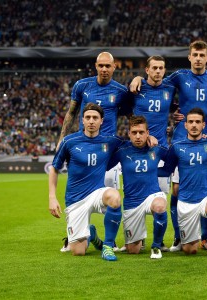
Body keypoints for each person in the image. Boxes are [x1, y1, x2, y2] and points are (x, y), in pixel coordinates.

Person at [130, 41, 207, 252]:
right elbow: (156, 82)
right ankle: (179, 236)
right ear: (189, 57)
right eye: (194, 55)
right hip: (181, 138)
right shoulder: (179, 76)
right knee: (177, 189)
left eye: (202, 55)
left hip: (206, 139)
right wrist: (137, 77)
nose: (198, 58)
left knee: (203, 187)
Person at [49, 103, 123, 261]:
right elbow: (54, 168)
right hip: (76, 200)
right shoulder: (69, 141)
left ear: (101, 121)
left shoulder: (110, 141)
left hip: (97, 193)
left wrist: (150, 138)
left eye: (95, 118)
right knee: (78, 252)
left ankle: (108, 246)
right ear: (82, 120)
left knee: (115, 197)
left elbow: (134, 142)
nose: (91, 121)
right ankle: (92, 235)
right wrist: (52, 197)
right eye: (88, 117)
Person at [158, 108, 207, 258]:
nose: (194, 125)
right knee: (190, 250)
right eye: (190, 122)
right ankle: (190, 239)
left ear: (204, 125)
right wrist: (149, 170)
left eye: (198, 122)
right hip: (186, 201)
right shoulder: (177, 146)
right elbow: (166, 170)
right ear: (185, 125)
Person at [58, 52, 130, 190]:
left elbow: (130, 116)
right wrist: (61, 139)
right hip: (83, 148)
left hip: (108, 151)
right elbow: (71, 113)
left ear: (114, 67)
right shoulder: (81, 85)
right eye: (101, 65)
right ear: (96, 66)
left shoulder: (121, 91)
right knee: (80, 195)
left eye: (107, 66)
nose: (104, 69)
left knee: (111, 200)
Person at [108, 115, 168, 259]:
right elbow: (104, 165)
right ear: (129, 134)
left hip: (152, 196)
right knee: (133, 250)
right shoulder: (122, 151)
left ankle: (156, 245)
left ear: (148, 133)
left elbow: (174, 159)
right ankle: (138, 240)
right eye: (134, 133)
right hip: (132, 202)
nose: (138, 136)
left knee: (160, 206)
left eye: (141, 132)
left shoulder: (157, 149)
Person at [130, 55, 177, 195]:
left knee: (160, 200)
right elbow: (126, 112)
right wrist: (137, 78)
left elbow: (175, 106)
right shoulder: (137, 88)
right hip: (138, 150)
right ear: (147, 70)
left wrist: (178, 114)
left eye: (160, 68)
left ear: (164, 70)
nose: (157, 71)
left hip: (161, 149)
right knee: (136, 198)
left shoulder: (170, 88)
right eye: (154, 68)